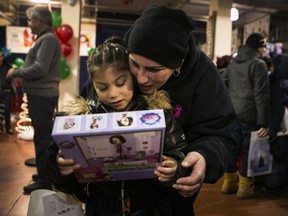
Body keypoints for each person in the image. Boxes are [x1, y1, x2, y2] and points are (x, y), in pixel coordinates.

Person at [46, 36, 188, 215]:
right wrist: (61, 168)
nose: (113, 94)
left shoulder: (157, 114)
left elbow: (180, 154)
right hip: (101, 209)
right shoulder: (83, 119)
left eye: (121, 83)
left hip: (150, 208)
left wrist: (174, 169)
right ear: (93, 86)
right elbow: (54, 167)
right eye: (102, 87)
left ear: (134, 77)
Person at [6, 6, 61, 194]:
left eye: (30, 20)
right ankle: (44, 174)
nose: (28, 25)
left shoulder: (47, 39)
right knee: (42, 137)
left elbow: (39, 69)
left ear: (40, 20)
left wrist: (16, 72)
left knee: (43, 138)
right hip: (41, 95)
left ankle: (45, 180)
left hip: (43, 96)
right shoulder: (46, 39)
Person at [221, 33, 269, 199]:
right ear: (258, 47)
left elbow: (224, 85)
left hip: (234, 112)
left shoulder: (233, 65)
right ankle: (244, 188)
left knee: (233, 147)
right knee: (249, 150)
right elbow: (261, 95)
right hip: (250, 114)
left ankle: (228, 183)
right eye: (264, 46)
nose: (265, 49)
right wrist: (264, 122)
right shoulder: (259, 64)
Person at [264, 54, 288, 192]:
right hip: (285, 127)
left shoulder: (278, 83)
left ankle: (273, 185)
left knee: (279, 155)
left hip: (281, 127)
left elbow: (278, 109)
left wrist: (272, 131)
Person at [0, 49, 13, 134]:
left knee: (7, 109)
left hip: (6, 91)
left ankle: (8, 128)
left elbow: (12, 73)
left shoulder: (7, 66)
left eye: (1, 56)